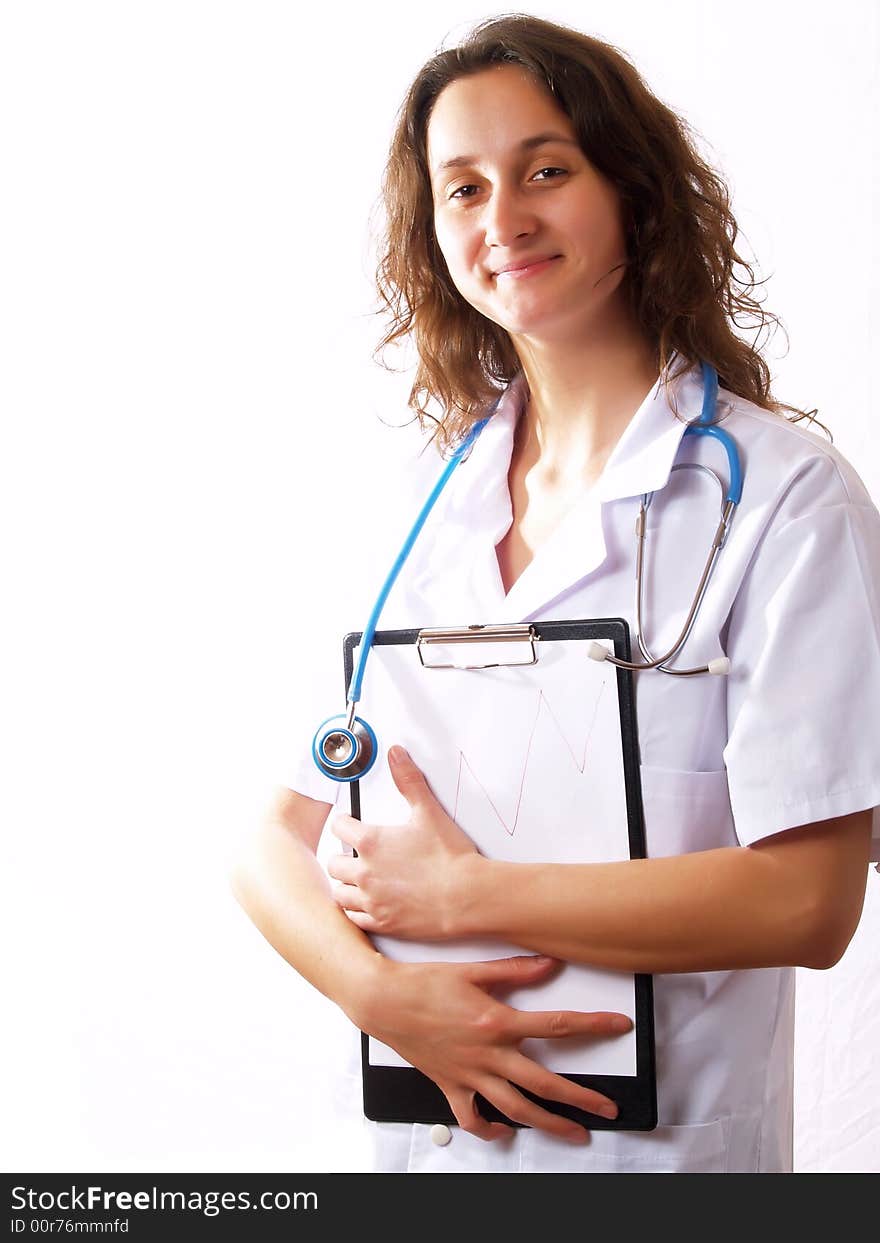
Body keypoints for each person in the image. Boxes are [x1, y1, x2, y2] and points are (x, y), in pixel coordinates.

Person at [231, 14, 880, 1173]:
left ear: (630, 187)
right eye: (462, 189)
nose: (504, 220)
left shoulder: (783, 500)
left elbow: (808, 900)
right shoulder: (426, 502)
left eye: (545, 170)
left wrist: (465, 896)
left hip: (656, 1162)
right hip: (423, 1144)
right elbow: (267, 843)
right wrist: (388, 998)